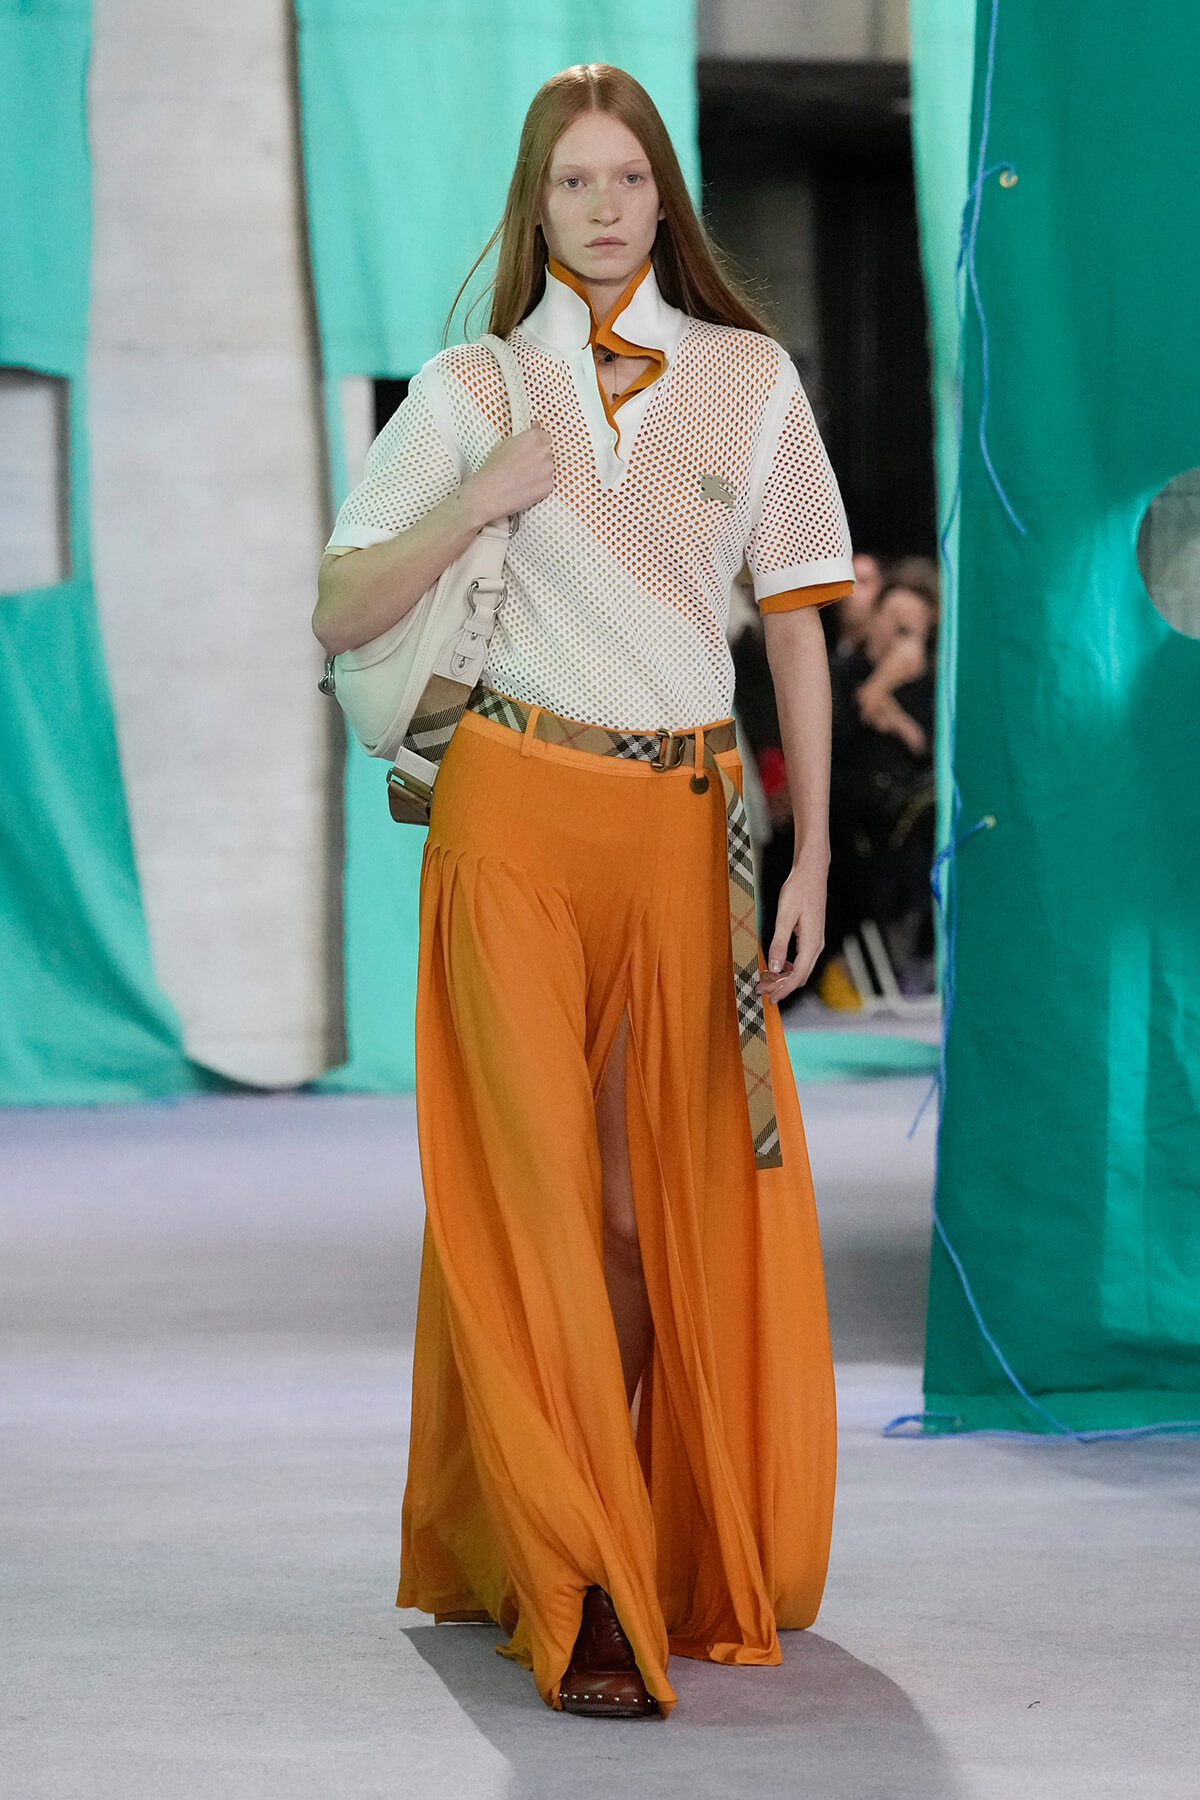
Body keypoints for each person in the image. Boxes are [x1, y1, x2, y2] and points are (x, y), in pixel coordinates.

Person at [312, 64, 854, 1720]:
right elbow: (341, 609)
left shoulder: (752, 384)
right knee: (537, 1196)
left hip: (690, 835)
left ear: (663, 197)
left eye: (627, 178)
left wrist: (817, 848)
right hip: (510, 823)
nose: (604, 208)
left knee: (636, 1215)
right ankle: (586, 1585)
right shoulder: (478, 388)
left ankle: (539, 1521)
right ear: (534, 208)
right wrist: (479, 500)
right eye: (572, 183)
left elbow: (796, 626)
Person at [823, 580, 938, 1000]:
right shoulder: (844, 671)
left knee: (925, 827)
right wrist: (883, 684)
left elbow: (927, 748)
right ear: (874, 619)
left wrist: (895, 718)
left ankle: (916, 953)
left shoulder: (930, 682)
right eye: (893, 620)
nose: (900, 634)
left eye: (911, 626)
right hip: (853, 799)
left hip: (908, 801)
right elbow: (843, 736)